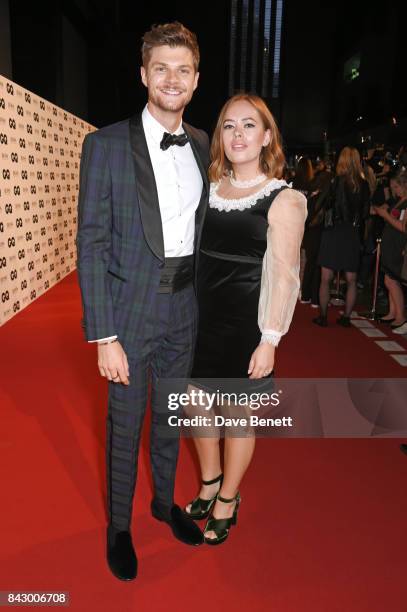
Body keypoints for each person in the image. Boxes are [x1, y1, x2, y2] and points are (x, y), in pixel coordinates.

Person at [76, 22, 209, 581]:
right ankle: (120, 527)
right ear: (143, 75)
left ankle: (162, 504)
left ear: (196, 79)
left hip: (185, 307)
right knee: (125, 425)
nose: (172, 79)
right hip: (129, 311)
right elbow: (91, 242)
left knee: (170, 416)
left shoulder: (203, 144)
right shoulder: (104, 144)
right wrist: (104, 335)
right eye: (162, 68)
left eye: (182, 69)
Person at [184, 93, 307, 545]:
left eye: (249, 125)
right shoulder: (208, 187)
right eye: (229, 126)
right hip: (198, 319)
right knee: (193, 405)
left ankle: (228, 498)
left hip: (244, 325)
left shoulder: (283, 198)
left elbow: (285, 275)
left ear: (267, 136)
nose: (238, 134)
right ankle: (210, 480)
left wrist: (270, 338)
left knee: (237, 414)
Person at [313, 147, 370, 327]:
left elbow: (323, 203)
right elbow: (366, 213)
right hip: (352, 233)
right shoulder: (364, 184)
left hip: (333, 231)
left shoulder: (335, 181)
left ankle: (323, 316)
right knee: (352, 279)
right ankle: (346, 317)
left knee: (325, 278)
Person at [374, 169, 407, 334]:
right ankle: (393, 313)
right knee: (388, 279)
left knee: (392, 280)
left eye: (397, 186)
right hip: (390, 244)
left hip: (397, 245)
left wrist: (386, 216)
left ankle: (401, 316)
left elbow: (403, 227)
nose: (395, 189)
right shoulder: (399, 200)